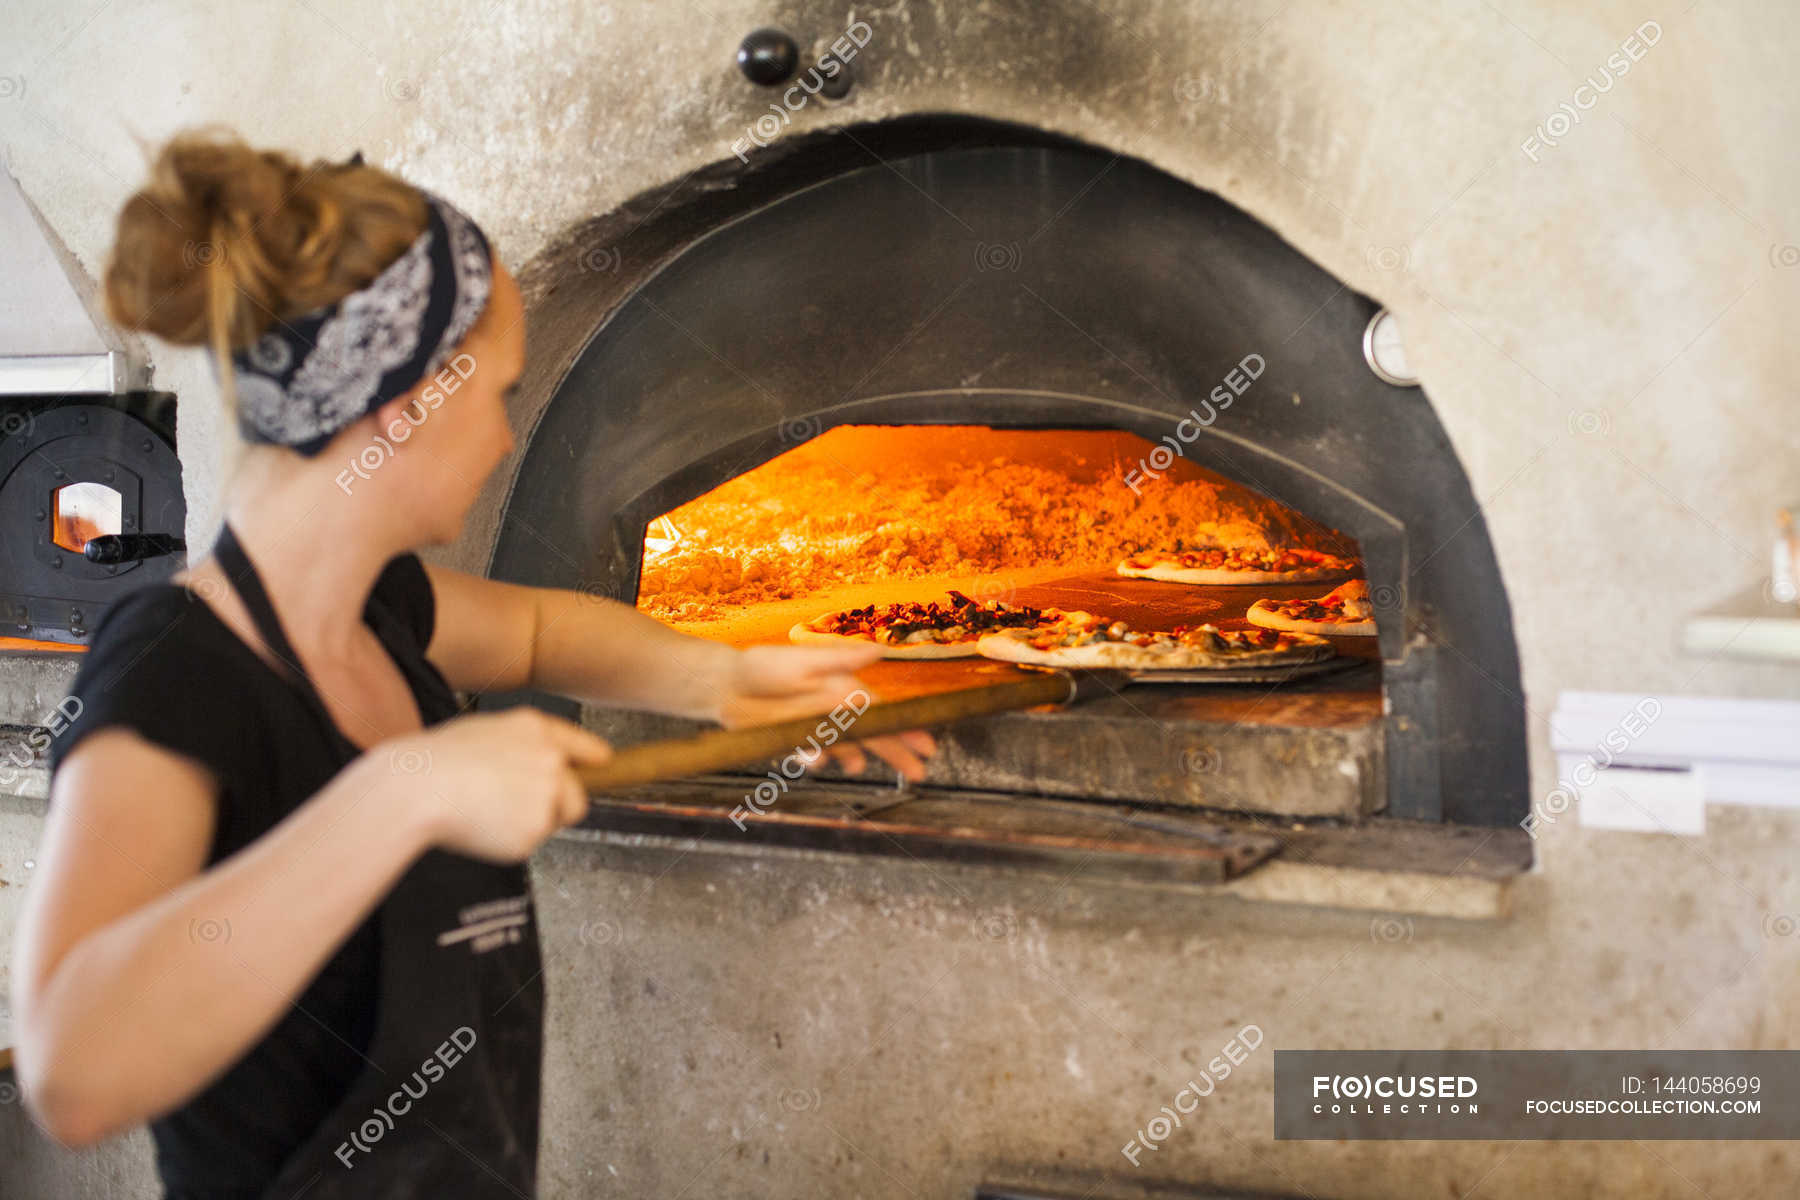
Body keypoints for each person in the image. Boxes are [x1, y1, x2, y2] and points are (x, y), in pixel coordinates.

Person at [9, 129, 935, 1199]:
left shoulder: (377, 614)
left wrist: (719, 681)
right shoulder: (175, 671)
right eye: (496, 393)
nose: (504, 439)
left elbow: (545, 633)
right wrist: (401, 800)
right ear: (402, 408)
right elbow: (72, 1072)